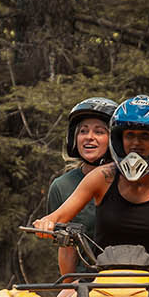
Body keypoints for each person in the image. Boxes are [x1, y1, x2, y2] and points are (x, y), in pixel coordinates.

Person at [32, 95, 149, 290]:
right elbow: (59, 218)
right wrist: (45, 223)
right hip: (97, 280)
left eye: (145, 136)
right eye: (129, 135)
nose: (135, 143)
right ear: (119, 138)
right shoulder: (102, 176)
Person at [41, 96, 116, 280]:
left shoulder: (132, 179)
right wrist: (68, 286)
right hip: (86, 281)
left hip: (137, 278)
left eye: (99, 132)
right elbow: (66, 249)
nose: (89, 137)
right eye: (83, 131)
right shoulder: (62, 186)